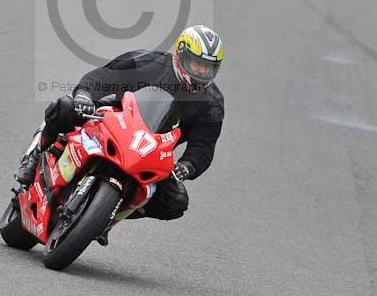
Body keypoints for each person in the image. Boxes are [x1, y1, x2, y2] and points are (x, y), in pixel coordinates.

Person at [16, 24, 225, 227]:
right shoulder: (149, 63)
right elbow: (104, 77)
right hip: (113, 118)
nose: (201, 72)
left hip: (152, 149)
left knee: (176, 201)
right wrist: (85, 95)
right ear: (180, 55)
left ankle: (106, 215)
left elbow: (203, 147)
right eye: (197, 64)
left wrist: (187, 167)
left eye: (208, 67)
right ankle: (34, 156)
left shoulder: (212, 103)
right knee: (65, 106)